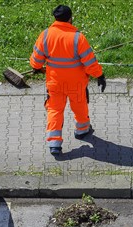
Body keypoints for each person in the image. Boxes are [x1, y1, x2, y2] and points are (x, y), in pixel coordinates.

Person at [30, 5, 106, 155]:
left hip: (55, 83)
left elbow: (36, 60)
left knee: (54, 110)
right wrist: (100, 75)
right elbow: (89, 63)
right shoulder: (78, 38)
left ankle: (54, 143)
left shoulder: (45, 35)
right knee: (79, 106)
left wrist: (36, 67)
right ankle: (82, 130)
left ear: (55, 18)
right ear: (70, 18)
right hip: (76, 84)